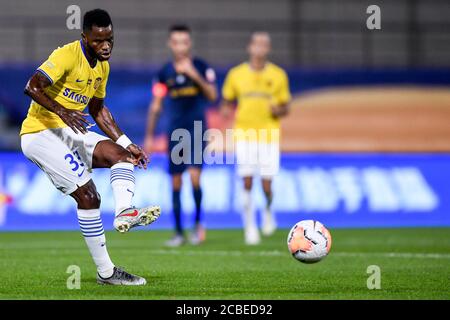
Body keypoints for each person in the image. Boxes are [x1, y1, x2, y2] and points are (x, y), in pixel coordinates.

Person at [20, 9, 160, 285]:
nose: (105, 46)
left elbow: (98, 110)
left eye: (109, 39)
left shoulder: (102, 66)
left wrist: (129, 143)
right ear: (84, 37)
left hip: (70, 130)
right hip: (40, 133)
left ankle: (124, 211)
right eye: (98, 41)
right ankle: (107, 272)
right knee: (89, 196)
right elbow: (32, 86)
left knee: (121, 157)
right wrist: (65, 111)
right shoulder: (66, 56)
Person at [144, 25, 217, 247]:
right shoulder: (164, 73)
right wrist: (149, 135)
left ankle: (197, 226)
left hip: (196, 130)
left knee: (195, 177)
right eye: (176, 42)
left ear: (189, 43)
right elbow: (156, 105)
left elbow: (213, 95)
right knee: (176, 182)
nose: (180, 46)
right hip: (175, 132)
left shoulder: (201, 67)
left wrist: (194, 74)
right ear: (170, 44)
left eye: (184, 42)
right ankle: (177, 232)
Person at [221, 32, 291, 245]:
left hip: (269, 134)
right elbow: (226, 101)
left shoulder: (278, 75)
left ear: (268, 49)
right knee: (247, 180)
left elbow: (286, 107)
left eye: (264, 45)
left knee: (267, 184)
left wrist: (277, 109)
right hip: (244, 133)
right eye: (256, 44)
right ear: (250, 47)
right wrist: (225, 111)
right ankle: (250, 226)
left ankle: (268, 209)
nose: (260, 49)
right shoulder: (236, 74)